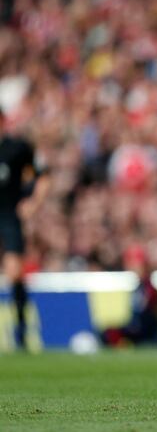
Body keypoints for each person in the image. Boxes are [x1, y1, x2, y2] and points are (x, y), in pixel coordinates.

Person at [0, 108, 49, 350]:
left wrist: (34, 202)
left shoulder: (18, 148)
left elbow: (42, 174)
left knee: (14, 272)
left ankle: (21, 330)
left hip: (8, 216)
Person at [100, 246, 157, 347]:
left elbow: (156, 315)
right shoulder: (121, 286)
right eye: (129, 264)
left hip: (146, 336)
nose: (132, 268)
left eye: (135, 264)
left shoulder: (150, 288)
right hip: (127, 332)